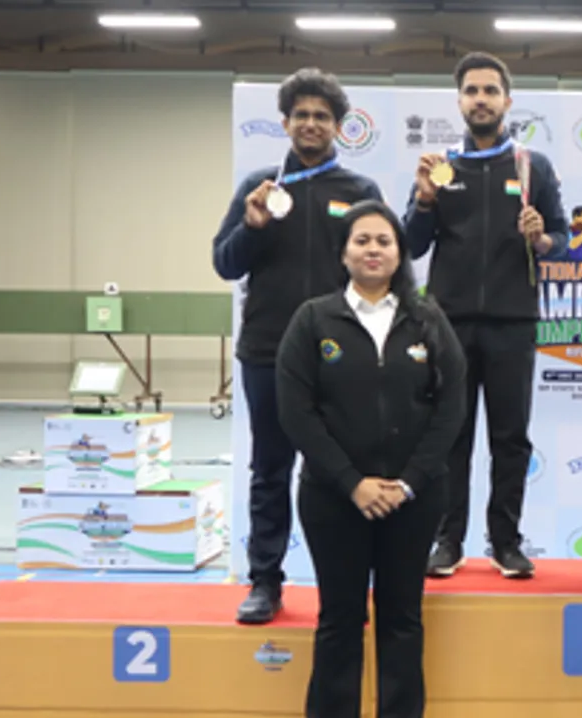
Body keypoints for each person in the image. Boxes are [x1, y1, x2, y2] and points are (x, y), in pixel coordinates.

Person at [275, 200, 467, 718]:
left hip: (414, 500)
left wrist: (408, 483)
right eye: (361, 240)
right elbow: (296, 412)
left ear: (400, 252)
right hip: (333, 498)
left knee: (402, 621)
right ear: (344, 253)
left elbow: (452, 408)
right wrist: (351, 482)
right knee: (339, 620)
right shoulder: (313, 320)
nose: (373, 250)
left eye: (384, 240)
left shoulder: (427, 319)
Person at [212, 67, 384, 624]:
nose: (311, 124)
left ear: (338, 126)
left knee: (344, 472)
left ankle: (346, 585)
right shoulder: (261, 187)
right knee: (270, 470)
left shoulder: (360, 193)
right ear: (285, 123)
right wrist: (253, 225)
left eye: (322, 116)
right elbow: (224, 263)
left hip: (342, 355)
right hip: (267, 351)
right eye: (302, 115)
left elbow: (382, 269)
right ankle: (265, 581)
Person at [404, 51, 569, 579]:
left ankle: (506, 542)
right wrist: (424, 201)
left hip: (513, 322)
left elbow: (561, 240)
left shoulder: (531, 166)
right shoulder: (440, 167)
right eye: (472, 91)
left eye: (490, 91)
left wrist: (541, 238)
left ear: (507, 101)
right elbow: (411, 244)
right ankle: (447, 541)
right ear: (459, 101)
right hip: (448, 325)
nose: (481, 99)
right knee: (450, 437)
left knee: (510, 439)